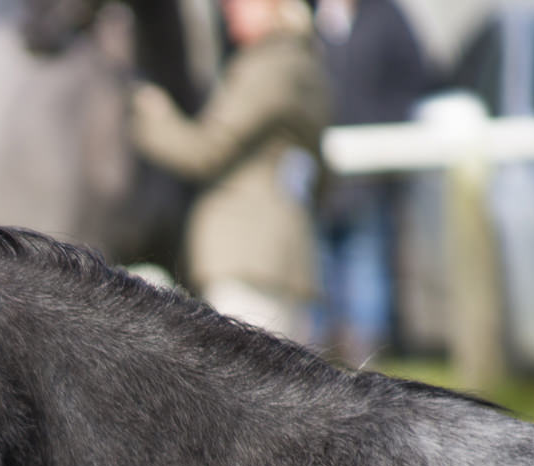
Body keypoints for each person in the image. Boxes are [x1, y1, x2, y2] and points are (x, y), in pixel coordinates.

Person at [130, 0, 331, 343]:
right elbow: (323, 172)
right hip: (282, 249)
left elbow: (204, 150)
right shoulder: (305, 61)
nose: (228, 9)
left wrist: (151, 114)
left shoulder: (267, 68)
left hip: (248, 255)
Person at [315, 0, 429, 364]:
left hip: (369, 177)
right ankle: (322, 365)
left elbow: (415, 78)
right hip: (316, 178)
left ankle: (366, 366)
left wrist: (382, 130)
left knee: (366, 269)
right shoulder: (306, 16)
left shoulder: (385, 15)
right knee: (320, 274)